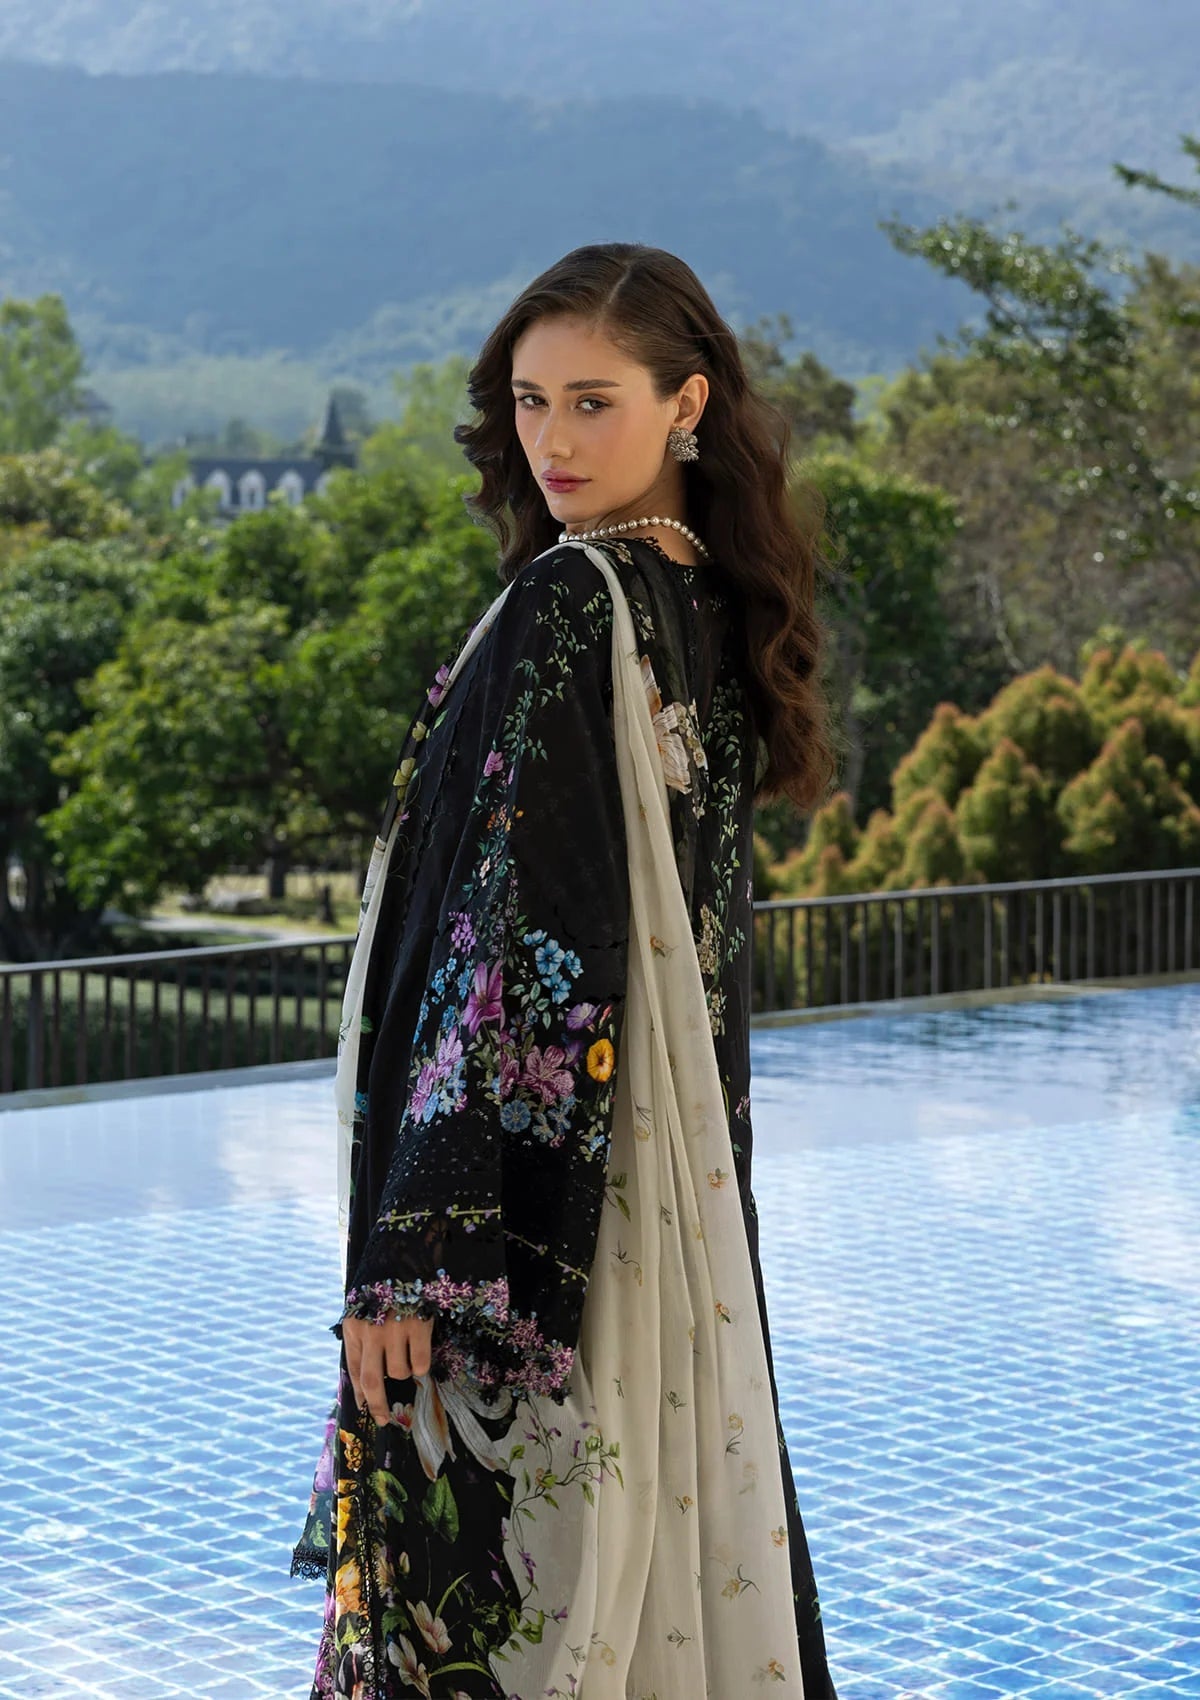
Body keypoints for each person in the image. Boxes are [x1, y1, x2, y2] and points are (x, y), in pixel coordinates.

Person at [291, 241, 840, 1700]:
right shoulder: (708, 605)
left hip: (520, 1226)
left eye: (595, 402)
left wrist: (417, 1251)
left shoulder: (569, 600)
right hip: (656, 1193)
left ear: (685, 405)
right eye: (532, 403)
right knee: (638, 1553)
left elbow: (505, 939)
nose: (553, 441)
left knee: (495, 1614)